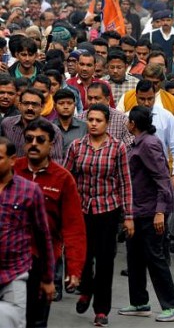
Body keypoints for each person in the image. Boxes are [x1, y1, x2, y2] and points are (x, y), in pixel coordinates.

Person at [64, 104, 134, 327]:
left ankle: (102, 310)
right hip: (82, 210)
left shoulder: (117, 148)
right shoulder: (76, 147)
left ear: (106, 123)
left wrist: (128, 215)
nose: (93, 124)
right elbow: (66, 178)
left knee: (105, 261)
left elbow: (125, 183)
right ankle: (86, 289)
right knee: (83, 256)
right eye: (90, 120)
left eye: (98, 120)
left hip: (108, 210)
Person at [14, 119, 86, 327]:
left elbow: (74, 228)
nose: (33, 144)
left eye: (40, 140)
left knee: (36, 320)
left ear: (51, 144)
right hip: (9, 258)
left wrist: (74, 269)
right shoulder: (12, 170)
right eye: (29, 139)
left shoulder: (63, 179)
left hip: (42, 262)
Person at [118, 106, 174, 322]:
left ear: (133, 124)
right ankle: (139, 302)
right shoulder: (138, 143)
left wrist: (160, 213)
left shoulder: (149, 144)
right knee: (134, 258)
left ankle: (172, 305)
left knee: (155, 259)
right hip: (136, 210)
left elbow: (162, 179)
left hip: (150, 212)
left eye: (129, 121)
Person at [0, 137, 55, 328]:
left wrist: (48, 278)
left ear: (12, 160)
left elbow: (43, 236)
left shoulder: (29, 191)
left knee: (13, 323)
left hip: (14, 273)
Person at [1, 87, 64, 163]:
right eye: (26, 103)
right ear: (19, 105)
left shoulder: (53, 130)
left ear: (42, 107)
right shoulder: (7, 124)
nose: (30, 108)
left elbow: (56, 161)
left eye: (35, 104)